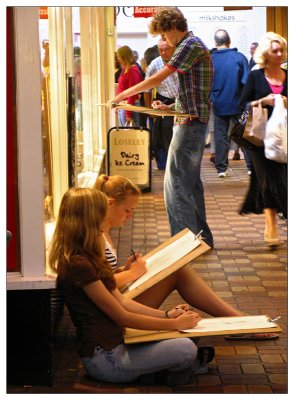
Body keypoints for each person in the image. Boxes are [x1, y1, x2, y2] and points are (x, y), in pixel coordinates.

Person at [48, 187, 214, 385]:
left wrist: (167, 316)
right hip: (106, 359)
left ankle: (168, 371)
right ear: (91, 218)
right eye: (103, 213)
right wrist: (174, 325)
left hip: (119, 343)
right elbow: (121, 315)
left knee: (187, 338)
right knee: (185, 347)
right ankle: (163, 374)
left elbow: (122, 301)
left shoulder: (92, 255)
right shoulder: (78, 264)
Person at [93, 174, 279, 341]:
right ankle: (240, 322)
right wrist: (134, 274)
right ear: (110, 204)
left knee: (179, 270)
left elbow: (103, 275)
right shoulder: (97, 236)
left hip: (115, 302)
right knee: (179, 273)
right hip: (112, 311)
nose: (130, 216)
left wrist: (123, 270)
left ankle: (239, 321)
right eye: (127, 210)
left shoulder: (104, 232)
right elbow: (100, 285)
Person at [110, 7, 214, 248]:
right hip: (190, 119)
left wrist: (122, 95)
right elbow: (194, 89)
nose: (164, 41)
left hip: (190, 123)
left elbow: (158, 78)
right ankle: (201, 239)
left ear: (171, 27)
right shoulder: (192, 44)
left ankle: (182, 246)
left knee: (175, 185)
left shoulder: (189, 44)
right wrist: (170, 108)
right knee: (189, 184)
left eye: (164, 35)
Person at [239, 32, 287, 247]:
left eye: (282, 50)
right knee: (267, 180)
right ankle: (271, 226)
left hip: (284, 137)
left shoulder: (288, 75)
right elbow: (243, 102)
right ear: (265, 54)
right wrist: (262, 101)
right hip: (260, 137)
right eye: (275, 50)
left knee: (282, 181)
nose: (279, 54)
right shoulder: (256, 76)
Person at [211, 29, 249, 178]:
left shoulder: (210, 59)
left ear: (215, 42)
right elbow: (245, 82)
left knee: (220, 137)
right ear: (229, 41)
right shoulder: (239, 57)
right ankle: (250, 167)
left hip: (218, 104)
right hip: (237, 103)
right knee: (244, 135)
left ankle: (221, 169)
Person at [144, 39, 179, 170]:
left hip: (181, 103)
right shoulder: (155, 64)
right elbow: (146, 89)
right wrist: (149, 111)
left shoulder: (181, 61)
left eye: (167, 49)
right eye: (161, 50)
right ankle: (166, 165)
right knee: (164, 137)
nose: (163, 53)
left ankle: (176, 164)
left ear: (174, 48)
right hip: (163, 102)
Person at [116, 45, 144, 126]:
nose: (118, 60)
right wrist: (117, 104)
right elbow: (120, 87)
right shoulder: (125, 68)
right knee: (124, 133)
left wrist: (128, 113)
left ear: (125, 57)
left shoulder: (133, 71)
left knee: (131, 134)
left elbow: (132, 92)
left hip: (130, 106)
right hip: (123, 105)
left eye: (120, 58)